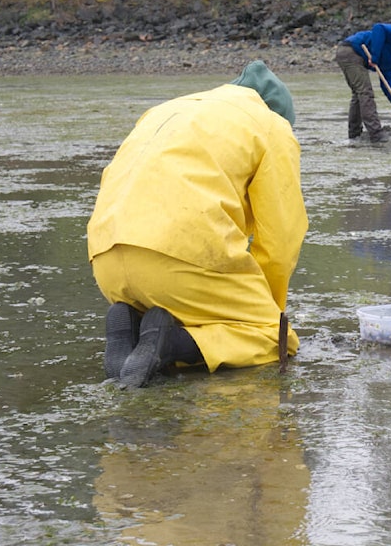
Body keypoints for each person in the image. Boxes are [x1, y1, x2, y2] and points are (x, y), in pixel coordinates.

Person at [87, 60, 308, 388]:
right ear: (281, 114)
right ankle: (170, 345)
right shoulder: (272, 127)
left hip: (106, 259)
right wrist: (267, 315)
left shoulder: (169, 110)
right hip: (178, 260)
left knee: (179, 306)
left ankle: (132, 326)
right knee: (275, 340)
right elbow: (280, 241)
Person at [336, 23, 391, 142]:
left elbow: (387, 86)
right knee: (365, 92)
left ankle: (354, 135)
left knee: (359, 93)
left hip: (349, 55)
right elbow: (378, 28)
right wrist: (375, 56)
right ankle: (376, 134)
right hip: (351, 50)